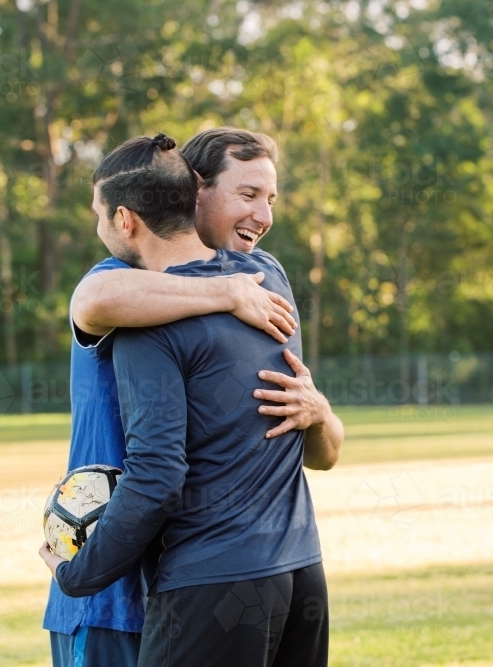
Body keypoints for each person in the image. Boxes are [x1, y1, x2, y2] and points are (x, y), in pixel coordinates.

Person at [42, 132, 340, 667]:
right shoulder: (241, 282)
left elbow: (157, 474)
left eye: (268, 199)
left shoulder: (248, 284)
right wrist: (226, 291)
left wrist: (320, 413)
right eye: (249, 194)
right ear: (193, 193)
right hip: (281, 573)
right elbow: (93, 299)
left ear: (125, 219)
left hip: (193, 578)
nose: (263, 214)